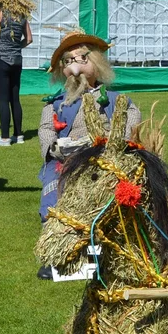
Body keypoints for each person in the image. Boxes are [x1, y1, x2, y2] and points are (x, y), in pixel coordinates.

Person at [37, 30, 141, 279]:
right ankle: (56, 256)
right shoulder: (56, 104)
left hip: (106, 161)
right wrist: (53, 147)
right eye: (67, 61)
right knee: (53, 198)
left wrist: (119, 141)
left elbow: (133, 118)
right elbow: (45, 128)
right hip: (66, 162)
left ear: (96, 63)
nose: (74, 67)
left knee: (106, 199)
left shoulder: (115, 100)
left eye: (81, 58)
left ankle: (101, 255)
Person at [0, 3, 32, 146]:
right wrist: (17, 47)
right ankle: (18, 135)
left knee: (3, 100)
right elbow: (29, 39)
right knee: (15, 99)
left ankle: (4, 138)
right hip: (17, 60)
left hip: (1, 59)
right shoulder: (22, 15)